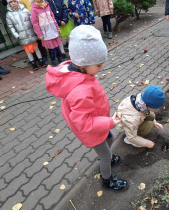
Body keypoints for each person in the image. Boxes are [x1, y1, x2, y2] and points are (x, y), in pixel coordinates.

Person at [46, 25, 128, 192]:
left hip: (98, 123)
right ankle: (107, 180)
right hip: (91, 129)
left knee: (110, 138)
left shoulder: (78, 72)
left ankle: (108, 158)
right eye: (98, 65)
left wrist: (107, 122)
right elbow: (83, 123)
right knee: (104, 153)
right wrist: (110, 121)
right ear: (83, 63)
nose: (101, 68)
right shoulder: (80, 91)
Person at [6, 0, 46, 70]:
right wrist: (17, 35)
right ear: (9, 4)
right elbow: (11, 26)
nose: (13, 3)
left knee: (36, 48)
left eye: (15, 1)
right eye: (11, 2)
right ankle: (33, 63)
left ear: (18, 2)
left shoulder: (25, 10)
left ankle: (41, 60)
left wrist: (36, 31)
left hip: (31, 33)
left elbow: (32, 21)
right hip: (22, 36)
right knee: (28, 51)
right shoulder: (9, 14)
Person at [31, 0, 64, 66]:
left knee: (56, 45)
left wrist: (57, 28)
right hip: (45, 31)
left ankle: (60, 57)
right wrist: (39, 34)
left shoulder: (47, 5)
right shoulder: (34, 9)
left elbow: (52, 17)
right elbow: (35, 23)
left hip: (53, 29)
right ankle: (53, 59)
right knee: (51, 47)